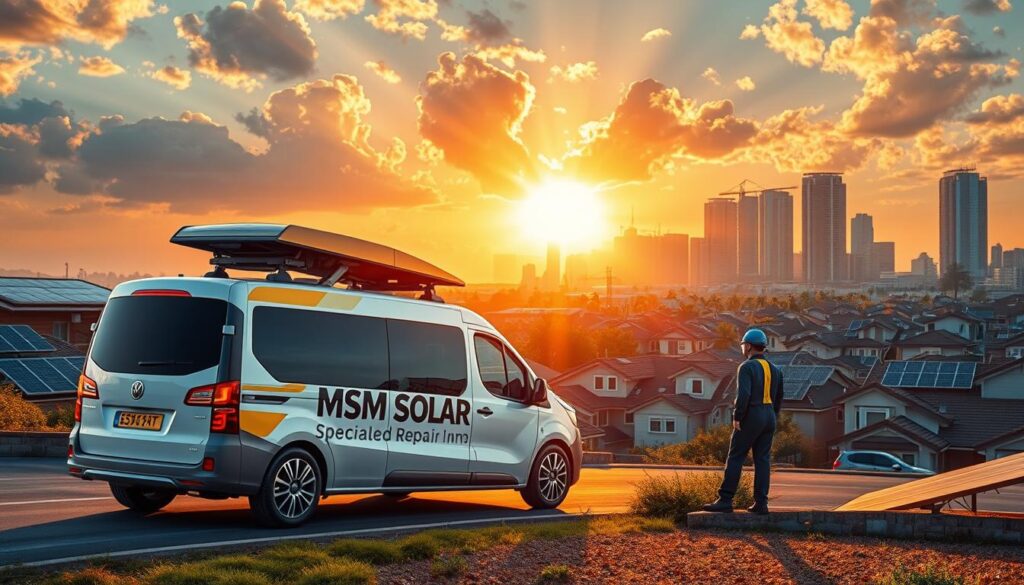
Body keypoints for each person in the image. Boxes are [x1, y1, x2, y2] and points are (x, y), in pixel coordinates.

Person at [702, 328, 784, 515]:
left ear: (747, 346)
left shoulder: (746, 367)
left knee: (736, 456)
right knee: (762, 460)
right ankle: (761, 503)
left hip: (752, 415)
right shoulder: (776, 369)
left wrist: (737, 417)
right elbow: (779, 397)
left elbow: (744, 394)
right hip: (769, 416)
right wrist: (773, 416)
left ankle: (725, 499)